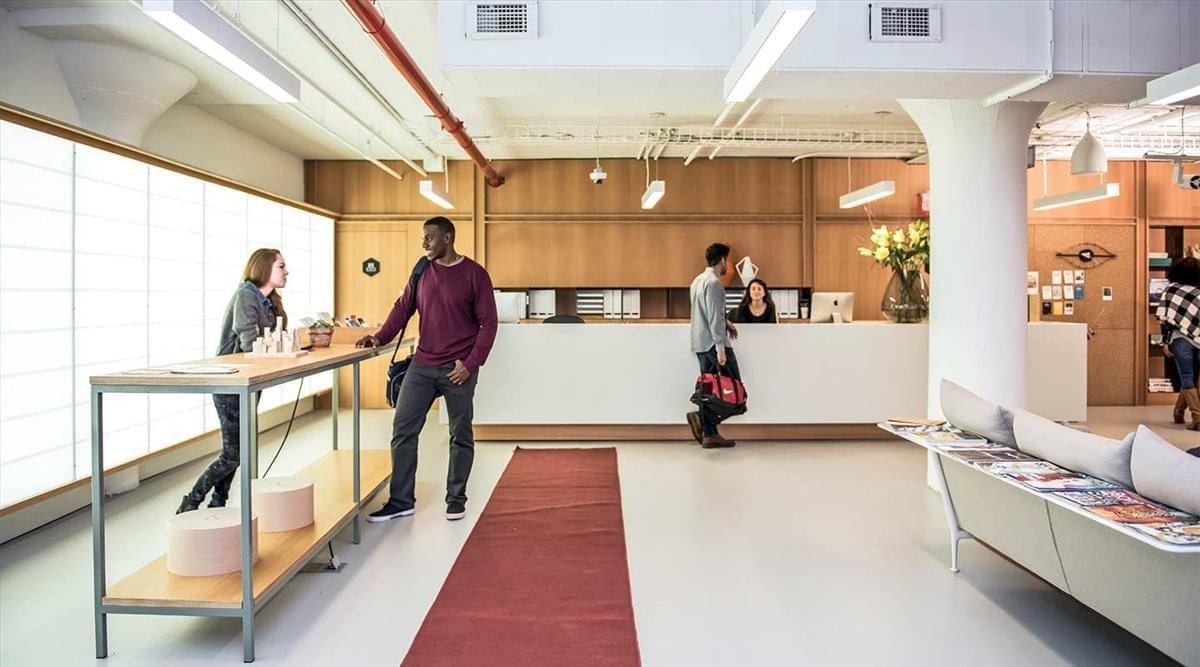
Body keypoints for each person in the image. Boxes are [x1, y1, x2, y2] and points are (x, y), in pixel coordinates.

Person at [358, 216, 498, 521]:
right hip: (422, 365)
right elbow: (403, 309)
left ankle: (456, 498)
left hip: (458, 368)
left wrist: (472, 364)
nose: (424, 244)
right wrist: (379, 336)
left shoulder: (475, 274)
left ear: (447, 238)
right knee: (403, 430)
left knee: (460, 434)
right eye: (423, 238)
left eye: (430, 238)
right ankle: (401, 500)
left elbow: (489, 323)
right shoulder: (421, 270)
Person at [177, 249, 288, 513]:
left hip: (248, 382)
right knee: (234, 453)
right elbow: (251, 343)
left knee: (237, 450)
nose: (286, 271)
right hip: (229, 384)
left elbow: (274, 340)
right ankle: (191, 501)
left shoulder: (269, 300)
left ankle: (218, 503)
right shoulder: (245, 296)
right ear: (263, 268)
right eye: (281, 266)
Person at [686, 243, 740, 449]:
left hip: (700, 343)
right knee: (733, 390)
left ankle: (709, 433)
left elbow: (705, 311)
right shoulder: (715, 283)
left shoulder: (697, 281)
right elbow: (713, 316)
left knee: (711, 390)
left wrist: (726, 322)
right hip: (713, 344)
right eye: (729, 260)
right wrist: (720, 348)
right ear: (722, 260)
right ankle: (702, 419)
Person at [1157, 256, 1200, 431]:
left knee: (1187, 377)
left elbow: (1164, 319)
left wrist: (1165, 342)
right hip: (1197, 338)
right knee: (1192, 378)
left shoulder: (1171, 290)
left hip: (1178, 338)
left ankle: (1179, 413)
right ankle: (1198, 418)